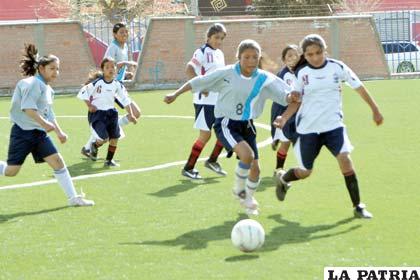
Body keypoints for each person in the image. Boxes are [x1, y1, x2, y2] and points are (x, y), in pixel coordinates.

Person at [164, 39, 300, 215]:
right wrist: (175, 94)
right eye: (247, 57)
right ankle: (238, 189)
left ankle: (248, 199)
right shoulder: (227, 73)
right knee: (247, 155)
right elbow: (199, 81)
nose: (251, 61)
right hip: (226, 123)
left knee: (256, 170)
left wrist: (291, 97)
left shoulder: (264, 78)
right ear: (238, 57)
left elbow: (285, 94)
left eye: (255, 57)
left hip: (248, 125)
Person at [273, 34, 384, 219]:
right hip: (308, 129)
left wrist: (375, 109)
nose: (315, 57)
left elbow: (358, 86)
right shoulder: (302, 73)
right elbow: (296, 101)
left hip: (334, 126)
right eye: (310, 54)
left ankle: (358, 206)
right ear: (305, 55)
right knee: (305, 172)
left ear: (325, 50)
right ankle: (284, 179)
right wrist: (284, 118)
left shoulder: (337, 67)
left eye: (319, 52)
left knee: (345, 160)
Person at [0, 44, 94, 206]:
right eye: (52, 68)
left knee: (58, 162)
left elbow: (49, 114)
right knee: (11, 171)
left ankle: (73, 199)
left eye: (57, 69)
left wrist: (59, 132)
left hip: (38, 134)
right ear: (41, 68)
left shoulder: (49, 89)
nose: (56, 72)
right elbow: (28, 108)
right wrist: (44, 124)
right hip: (22, 133)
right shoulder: (31, 84)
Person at [80, 22, 141, 157]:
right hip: (111, 87)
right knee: (135, 113)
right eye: (121, 32)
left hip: (118, 86)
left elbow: (117, 69)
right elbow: (107, 65)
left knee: (135, 113)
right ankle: (91, 144)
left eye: (126, 32)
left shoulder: (124, 47)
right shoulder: (113, 47)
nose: (125, 34)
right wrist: (126, 63)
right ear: (114, 34)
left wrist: (125, 73)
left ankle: (88, 146)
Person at [180, 23, 228, 179]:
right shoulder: (201, 52)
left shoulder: (220, 54)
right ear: (208, 37)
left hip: (218, 99)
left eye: (221, 38)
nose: (218, 41)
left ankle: (212, 161)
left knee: (225, 130)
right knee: (205, 135)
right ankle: (189, 168)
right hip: (204, 101)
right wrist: (200, 86)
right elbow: (189, 68)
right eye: (216, 37)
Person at [77, 57, 137, 167]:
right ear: (103, 70)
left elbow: (125, 99)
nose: (111, 69)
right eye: (107, 67)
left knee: (114, 138)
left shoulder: (117, 84)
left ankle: (109, 161)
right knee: (104, 138)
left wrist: (131, 115)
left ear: (116, 69)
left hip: (111, 114)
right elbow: (83, 91)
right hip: (98, 115)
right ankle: (94, 145)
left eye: (113, 67)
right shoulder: (97, 83)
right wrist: (89, 105)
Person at [270, 44, 300, 173]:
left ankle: (276, 138)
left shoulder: (300, 71)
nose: (293, 58)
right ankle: (279, 169)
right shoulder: (286, 75)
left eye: (295, 55)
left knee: (291, 139)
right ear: (284, 59)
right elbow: (291, 95)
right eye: (289, 55)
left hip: (295, 111)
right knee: (286, 142)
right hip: (284, 111)